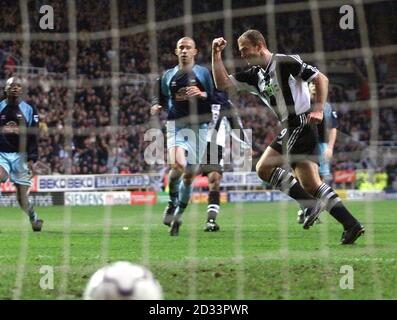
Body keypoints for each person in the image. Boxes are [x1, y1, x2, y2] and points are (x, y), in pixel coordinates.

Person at [211, 30, 364, 244]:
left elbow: (321, 79)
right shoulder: (255, 75)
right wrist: (215, 54)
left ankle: (311, 206)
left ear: (259, 45)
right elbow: (222, 84)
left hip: (301, 123)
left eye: (245, 50)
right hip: (289, 127)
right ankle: (351, 224)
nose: (243, 55)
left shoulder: (284, 62)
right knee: (307, 182)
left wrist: (319, 109)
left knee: (267, 169)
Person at [150, 37, 214, 236]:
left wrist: (203, 95)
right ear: (176, 52)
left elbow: (216, 96)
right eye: (181, 48)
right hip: (176, 125)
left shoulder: (204, 73)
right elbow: (157, 93)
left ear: (195, 52)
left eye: (188, 48)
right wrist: (155, 105)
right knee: (178, 166)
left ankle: (178, 214)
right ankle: (171, 202)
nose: (184, 51)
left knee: (189, 176)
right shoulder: (168, 75)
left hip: (200, 127)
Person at [199, 89, 251, 232]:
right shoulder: (197, 95)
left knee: (214, 180)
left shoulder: (224, 102)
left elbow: (235, 124)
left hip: (214, 144)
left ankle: (210, 221)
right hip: (193, 140)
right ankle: (174, 208)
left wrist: (246, 144)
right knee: (184, 177)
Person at [0, 77, 43, 231]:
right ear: (5, 89)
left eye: (18, 86)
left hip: (21, 156)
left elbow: (33, 135)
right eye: (12, 85)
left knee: (22, 199)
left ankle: (34, 218)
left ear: (22, 90)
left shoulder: (29, 109)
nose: (15, 88)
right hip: (1, 154)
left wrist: (32, 158)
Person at [297, 82, 338, 224]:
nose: (314, 86)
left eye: (316, 84)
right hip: (303, 143)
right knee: (305, 177)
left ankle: (310, 210)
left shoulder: (326, 106)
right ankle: (305, 209)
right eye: (311, 84)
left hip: (321, 145)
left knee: (320, 179)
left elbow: (333, 128)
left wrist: (330, 147)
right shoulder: (301, 102)